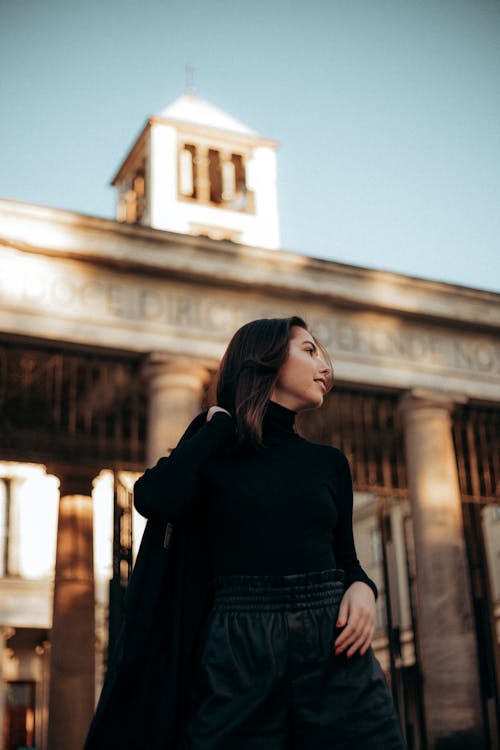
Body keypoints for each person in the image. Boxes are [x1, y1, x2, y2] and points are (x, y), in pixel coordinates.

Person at [84, 316, 406, 750]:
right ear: (265, 360)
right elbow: (154, 498)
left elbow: (346, 559)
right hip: (239, 642)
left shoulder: (328, 463)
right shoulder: (213, 452)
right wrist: (215, 426)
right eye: (309, 351)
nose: (325, 367)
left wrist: (364, 588)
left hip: (333, 639)